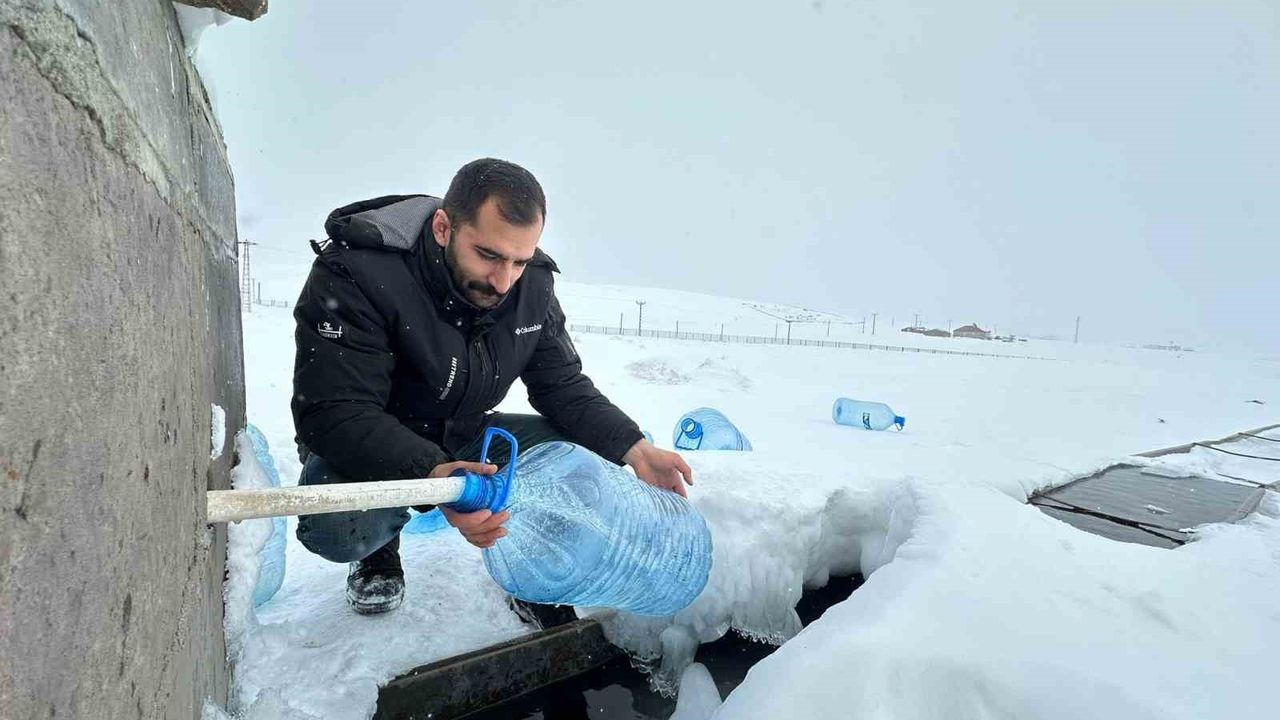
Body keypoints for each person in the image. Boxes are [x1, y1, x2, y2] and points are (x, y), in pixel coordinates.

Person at [290, 158, 693, 619]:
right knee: (337, 524)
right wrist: (438, 479)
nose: (504, 282)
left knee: (584, 459)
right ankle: (378, 550)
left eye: (520, 261)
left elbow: (560, 384)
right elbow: (336, 410)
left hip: (466, 431)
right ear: (443, 228)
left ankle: (534, 570)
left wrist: (636, 448)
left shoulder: (532, 285)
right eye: (488, 255)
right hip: (375, 441)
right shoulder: (357, 271)